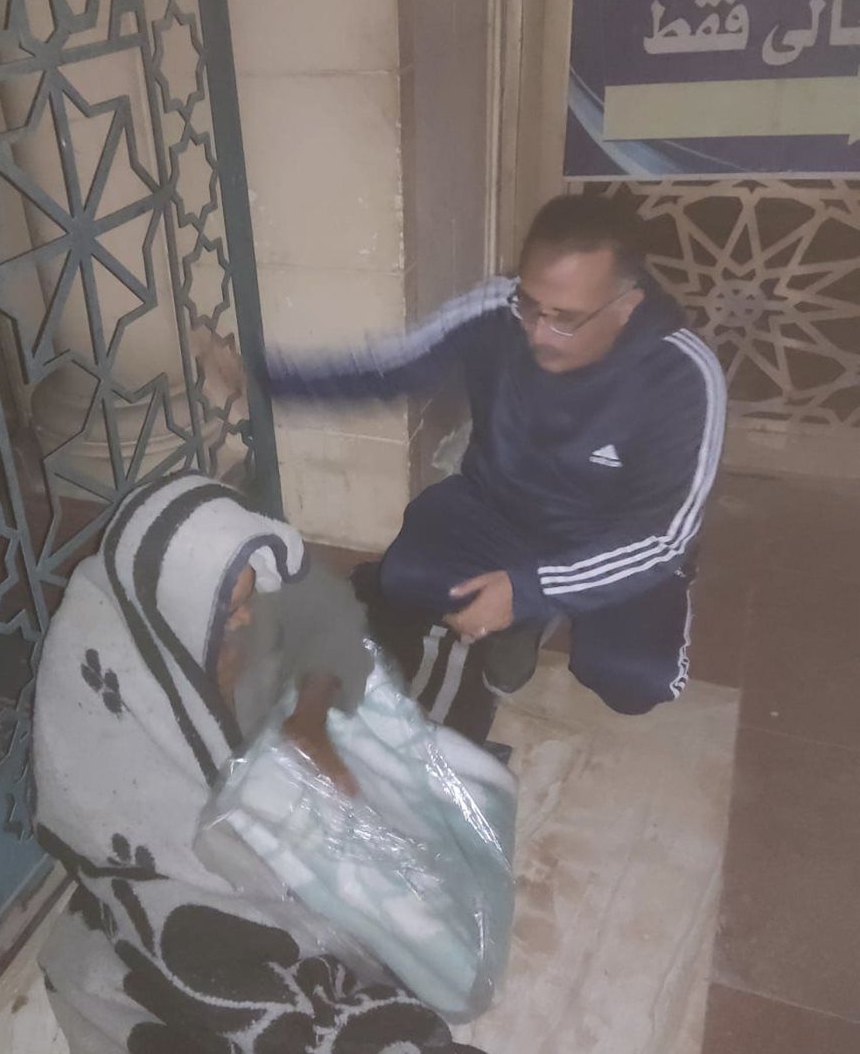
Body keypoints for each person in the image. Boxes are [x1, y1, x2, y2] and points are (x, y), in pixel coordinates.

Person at [32, 472, 540, 1054]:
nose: (245, 618)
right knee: (281, 1005)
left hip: (246, 816)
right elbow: (137, 809)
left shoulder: (225, 621)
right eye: (231, 606)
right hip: (168, 863)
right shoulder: (108, 658)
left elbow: (326, 668)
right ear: (185, 603)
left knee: (446, 813)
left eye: (249, 598)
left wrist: (333, 740)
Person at [257, 195, 727, 719]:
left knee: (634, 678)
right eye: (530, 304)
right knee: (404, 575)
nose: (538, 332)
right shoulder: (497, 310)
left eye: (567, 319)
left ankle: (542, 601)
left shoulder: (683, 375)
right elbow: (391, 368)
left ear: (626, 306)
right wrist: (264, 377)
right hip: (502, 510)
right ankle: (522, 618)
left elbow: (662, 536)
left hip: (610, 538)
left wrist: (532, 587)